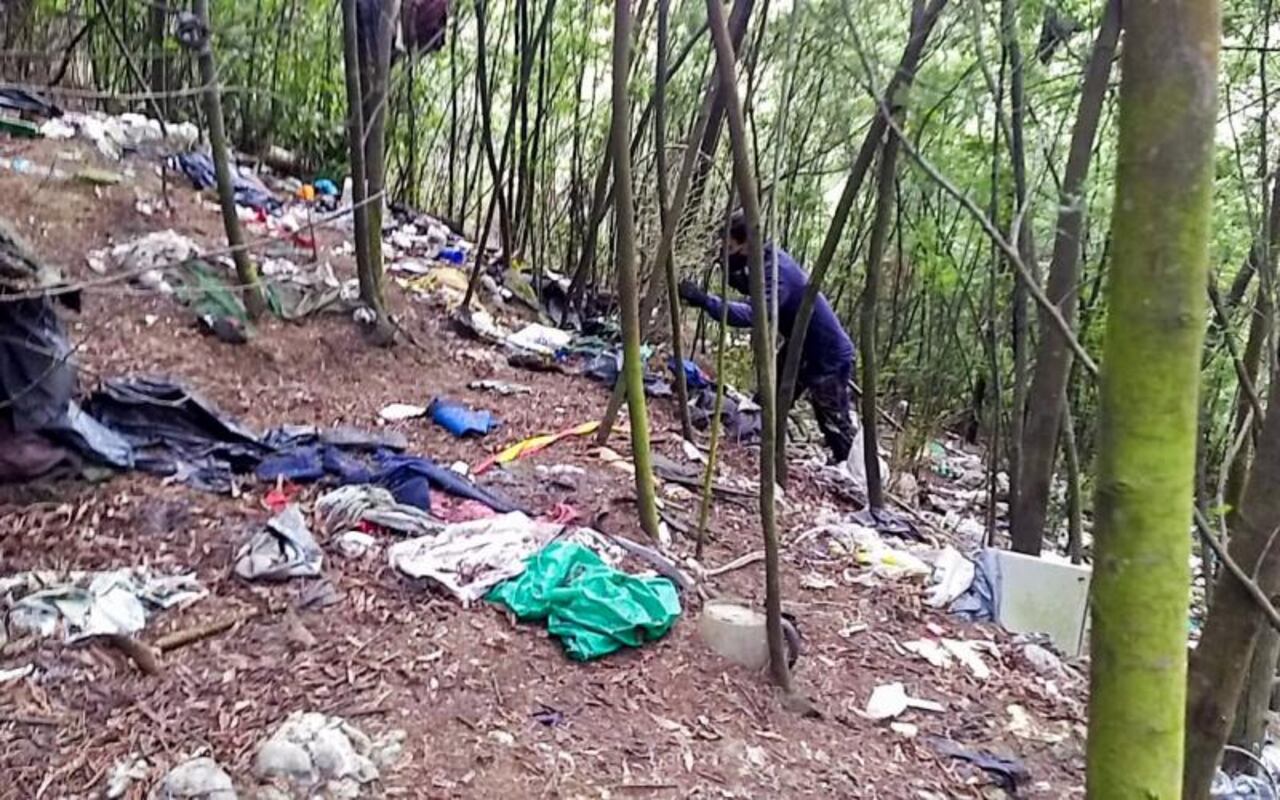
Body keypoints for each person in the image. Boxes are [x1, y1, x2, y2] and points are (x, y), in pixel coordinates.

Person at [678, 212, 856, 464]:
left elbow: (755, 313)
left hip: (828, 355)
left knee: (834, 424)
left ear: (745, 243)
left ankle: (855, 479)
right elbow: (754, 288)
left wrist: (706, 301)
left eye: (730, 247)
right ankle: (757, 451)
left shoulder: (777, 270)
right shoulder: (764, 261)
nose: (726, 251)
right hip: (799, 347)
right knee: (767, 400)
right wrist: (734, 273)